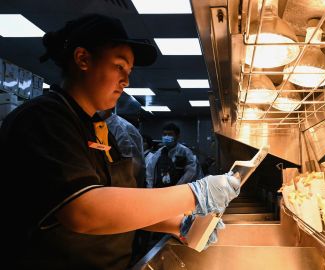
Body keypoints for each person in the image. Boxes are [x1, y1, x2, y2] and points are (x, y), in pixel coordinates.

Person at [0, 14, 240, 270]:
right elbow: (85, 211)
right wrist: (195, 193)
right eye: (119, 66)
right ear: (83, 59)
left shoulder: (99, 130)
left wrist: (178, 223)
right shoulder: (44, 119)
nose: (126, 80)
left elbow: (120, 205)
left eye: (129, 71)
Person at [146, 123, 204, 188]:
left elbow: (191, 172)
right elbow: (150, 171)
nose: (167, 137)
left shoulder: (185, 151)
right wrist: (150, 187)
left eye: (170, 134)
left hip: (180, 189)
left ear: (177, 136)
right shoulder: (159, 153)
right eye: (165, 134)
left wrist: (177, 187)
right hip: (161, 188)